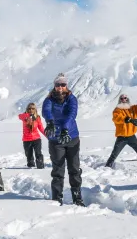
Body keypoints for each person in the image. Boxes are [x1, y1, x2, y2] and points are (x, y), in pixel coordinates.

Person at [42, 73, 85, 207]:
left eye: (63, 84)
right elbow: (46, 111)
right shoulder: (49, 99)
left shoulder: (71, 98)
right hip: (56, 140)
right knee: (58, 170)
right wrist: (49, 122)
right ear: (54, 86)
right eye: (58, 84)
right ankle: (56, 198)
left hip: (71, 137)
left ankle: (77, 197)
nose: (60, 87)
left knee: (74, 169)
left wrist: (65, 129)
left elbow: (72, 113)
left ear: (66, 86)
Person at [105, 93, 137, 168]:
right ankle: (107, 166)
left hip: (132, 136)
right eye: (122, 98)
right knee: (114, 154)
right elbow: (116, 118)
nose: (124, 100)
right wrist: (128, 119)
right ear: (119, 100)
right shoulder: (117, 110)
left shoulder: (131, 109)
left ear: (127, 99)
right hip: (121, 137)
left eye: (125, 98)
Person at [18, 103, 45, 168]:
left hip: (36, 138)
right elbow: (19, 116)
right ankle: (30, 167)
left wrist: (48, 136)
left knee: (38, 153)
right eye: (29, 108)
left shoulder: (37, 117)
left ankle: (40, 166)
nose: (31, 110)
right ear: (27, 109)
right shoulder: (24, 116)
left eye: (33, 108)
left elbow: (41, 127)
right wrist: (28, 116)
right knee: (28, 154)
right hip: (27, 139)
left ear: (35, 110)